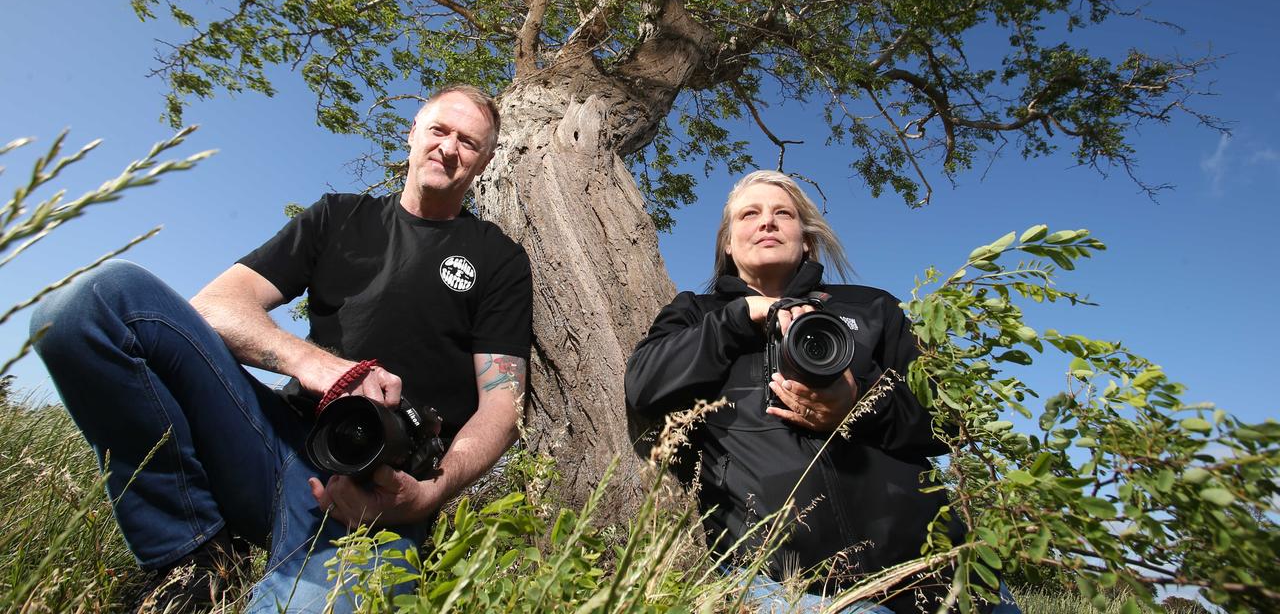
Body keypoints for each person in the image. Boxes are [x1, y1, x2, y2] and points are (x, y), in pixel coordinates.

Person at [30, 85, 533, 613]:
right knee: (90, 303)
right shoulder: (339, 216)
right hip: (268, 439)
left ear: (485, 162)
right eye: (439, 130)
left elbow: (502, 404)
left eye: (469, 142)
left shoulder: (498, 259)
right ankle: (191, 559)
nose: (449, 148)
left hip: (373, 498)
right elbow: (217, 305)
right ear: (412, 133)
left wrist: (428, 495)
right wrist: (321, 366)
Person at [625, 170, 1018, 614]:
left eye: (783, 214)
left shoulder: (872, 307)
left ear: (807, 240)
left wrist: (861, 405)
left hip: (936, 567)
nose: (767, 222)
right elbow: (642, 384)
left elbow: (949, 421)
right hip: (787, 584)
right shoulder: (697, 314)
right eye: (749, 214)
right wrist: (737, 319)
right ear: (728, 245)